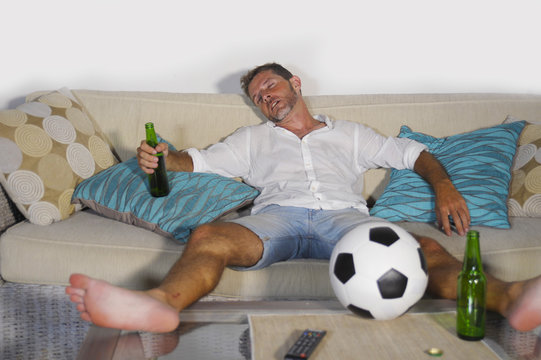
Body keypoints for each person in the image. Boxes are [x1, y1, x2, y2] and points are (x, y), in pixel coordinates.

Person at [66, 63, 541, 334]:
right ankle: (160, 304)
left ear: (295, 83)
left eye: (270, 86)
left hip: (345, 221)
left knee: (424, 250)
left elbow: (414, 153)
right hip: (277, 220)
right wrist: (164, 158)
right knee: (209, 234)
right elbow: (199, 162)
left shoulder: (350, 134)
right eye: (257, 96)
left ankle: (511, 296)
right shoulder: (251, 140)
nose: (265, 98)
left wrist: (443, 185)